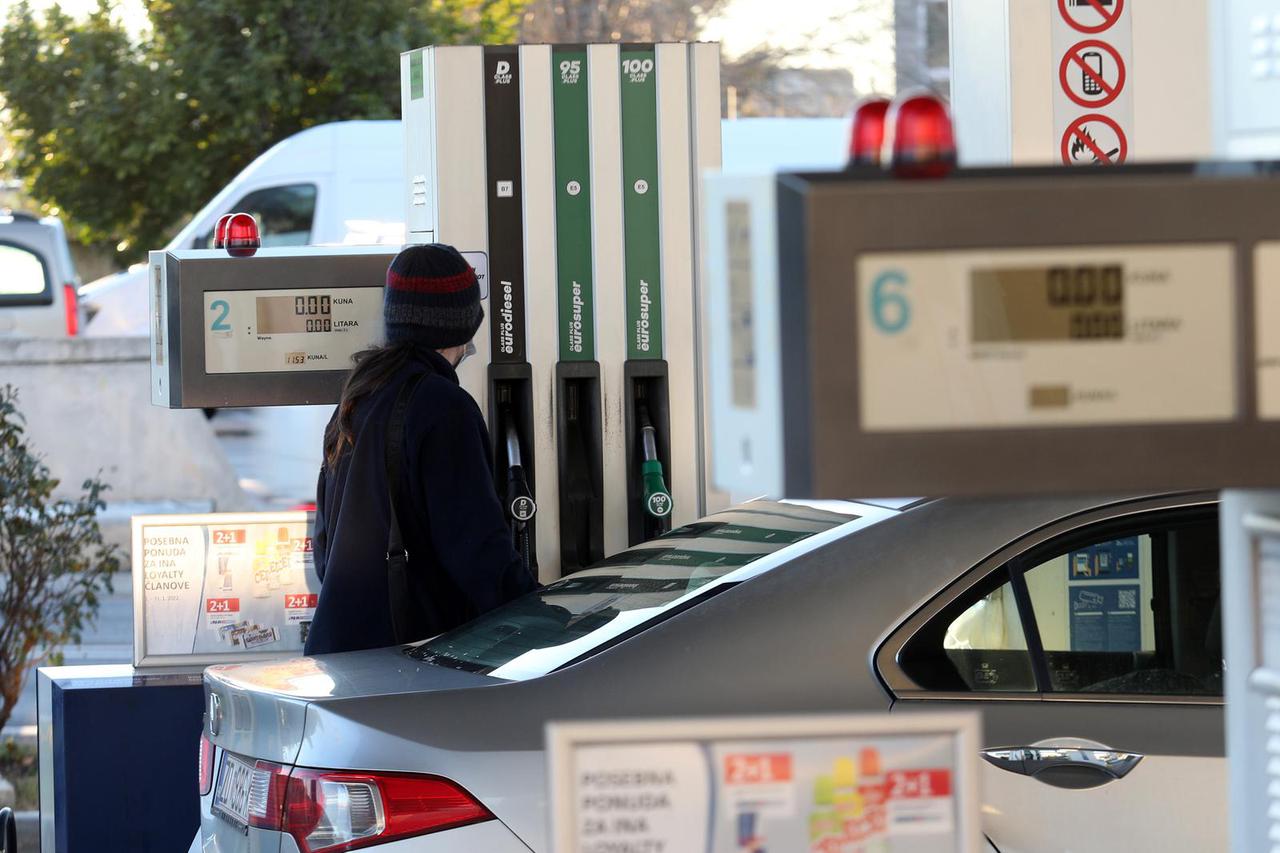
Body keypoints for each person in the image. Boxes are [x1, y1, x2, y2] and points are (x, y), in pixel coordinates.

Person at [305, 243, 536, 655]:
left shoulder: (360, 394)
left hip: (345, 656)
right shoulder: (441, 406)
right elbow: (474, 548)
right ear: (465, 325)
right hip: (410, 662)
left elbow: (325, 547)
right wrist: (546, 616)